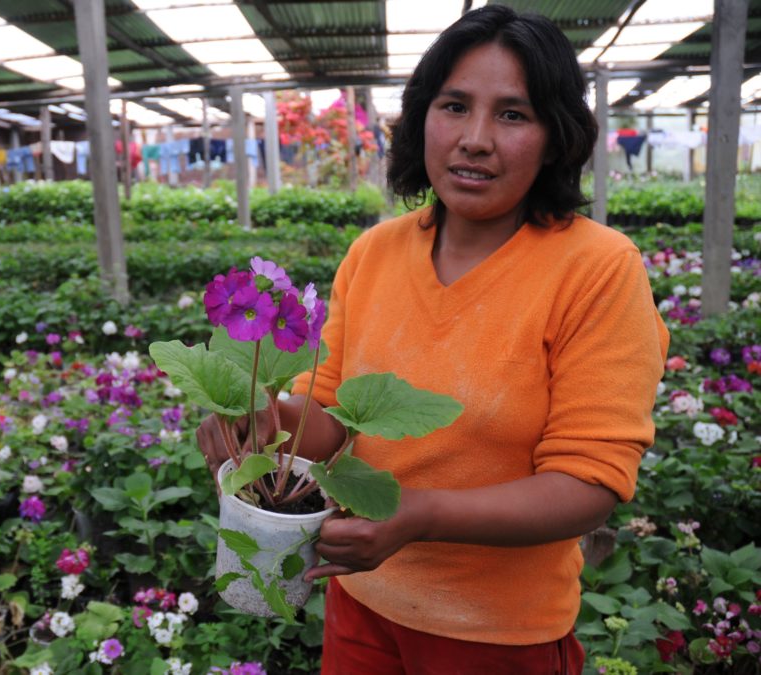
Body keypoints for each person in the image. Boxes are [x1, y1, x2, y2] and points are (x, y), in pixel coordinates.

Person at [197, 6, 669, 673]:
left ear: (556, 136)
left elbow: (589, 481)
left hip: (499, 635)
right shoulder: (375, 252)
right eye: (454, 105)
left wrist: (419, 514)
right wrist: (262, 418)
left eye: (513, 114)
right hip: (357, 601)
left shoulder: (597, 267)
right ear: (422, 117)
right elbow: (329, 411)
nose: (475, 138)